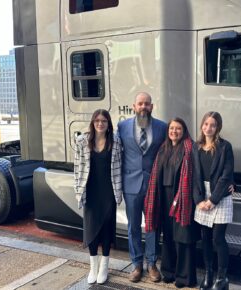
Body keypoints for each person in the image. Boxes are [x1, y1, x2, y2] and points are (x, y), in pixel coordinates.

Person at [144, 118, 199, 288]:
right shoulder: (163, 149)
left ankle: (184, 277)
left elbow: (197, 173)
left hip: (183, 199)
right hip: (165, 198)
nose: (174, 131)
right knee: (167, 236)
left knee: (182, 238)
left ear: (184, 130)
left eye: (178, 128)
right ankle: (168, 272)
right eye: (172, 128)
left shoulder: (190, 148)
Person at [118, 92, 167, 283]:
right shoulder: (122, 127)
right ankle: (136, 264)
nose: (143, 107)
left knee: (152, 226)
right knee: (133, 227)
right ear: (134, 106)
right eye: (140, 104)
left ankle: (152, 263)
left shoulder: (162, 127)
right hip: (131, 185)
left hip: (153, 186)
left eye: (147, 104)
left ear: (152, 107)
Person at [74, 109, 123, 284]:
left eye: (104, 121)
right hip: (90, 191)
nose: (100, 124)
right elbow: (77, 167)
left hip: (108, 191)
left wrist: (119, 190)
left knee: (106, 229)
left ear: (108, 123)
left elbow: (120, 166)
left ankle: (104, 266)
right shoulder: (82, 141)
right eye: (97, 121)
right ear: (93, 123)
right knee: (91, 229)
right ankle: (93, 266)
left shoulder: (116, 141)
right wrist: (77, 188)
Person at [193, 111, 234, 290]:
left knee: (218, 239)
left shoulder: (225, 147)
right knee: (205, 238)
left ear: (218, 128)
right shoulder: (196, 147)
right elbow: (193, 176)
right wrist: (199, 200)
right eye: (206, 124)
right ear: (202, 125)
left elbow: (226, 175)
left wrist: (213, 200)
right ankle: (208, 274)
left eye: (213, 125)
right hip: (202, 195)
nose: (208, 127)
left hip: (220, 195)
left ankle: (221, 278)